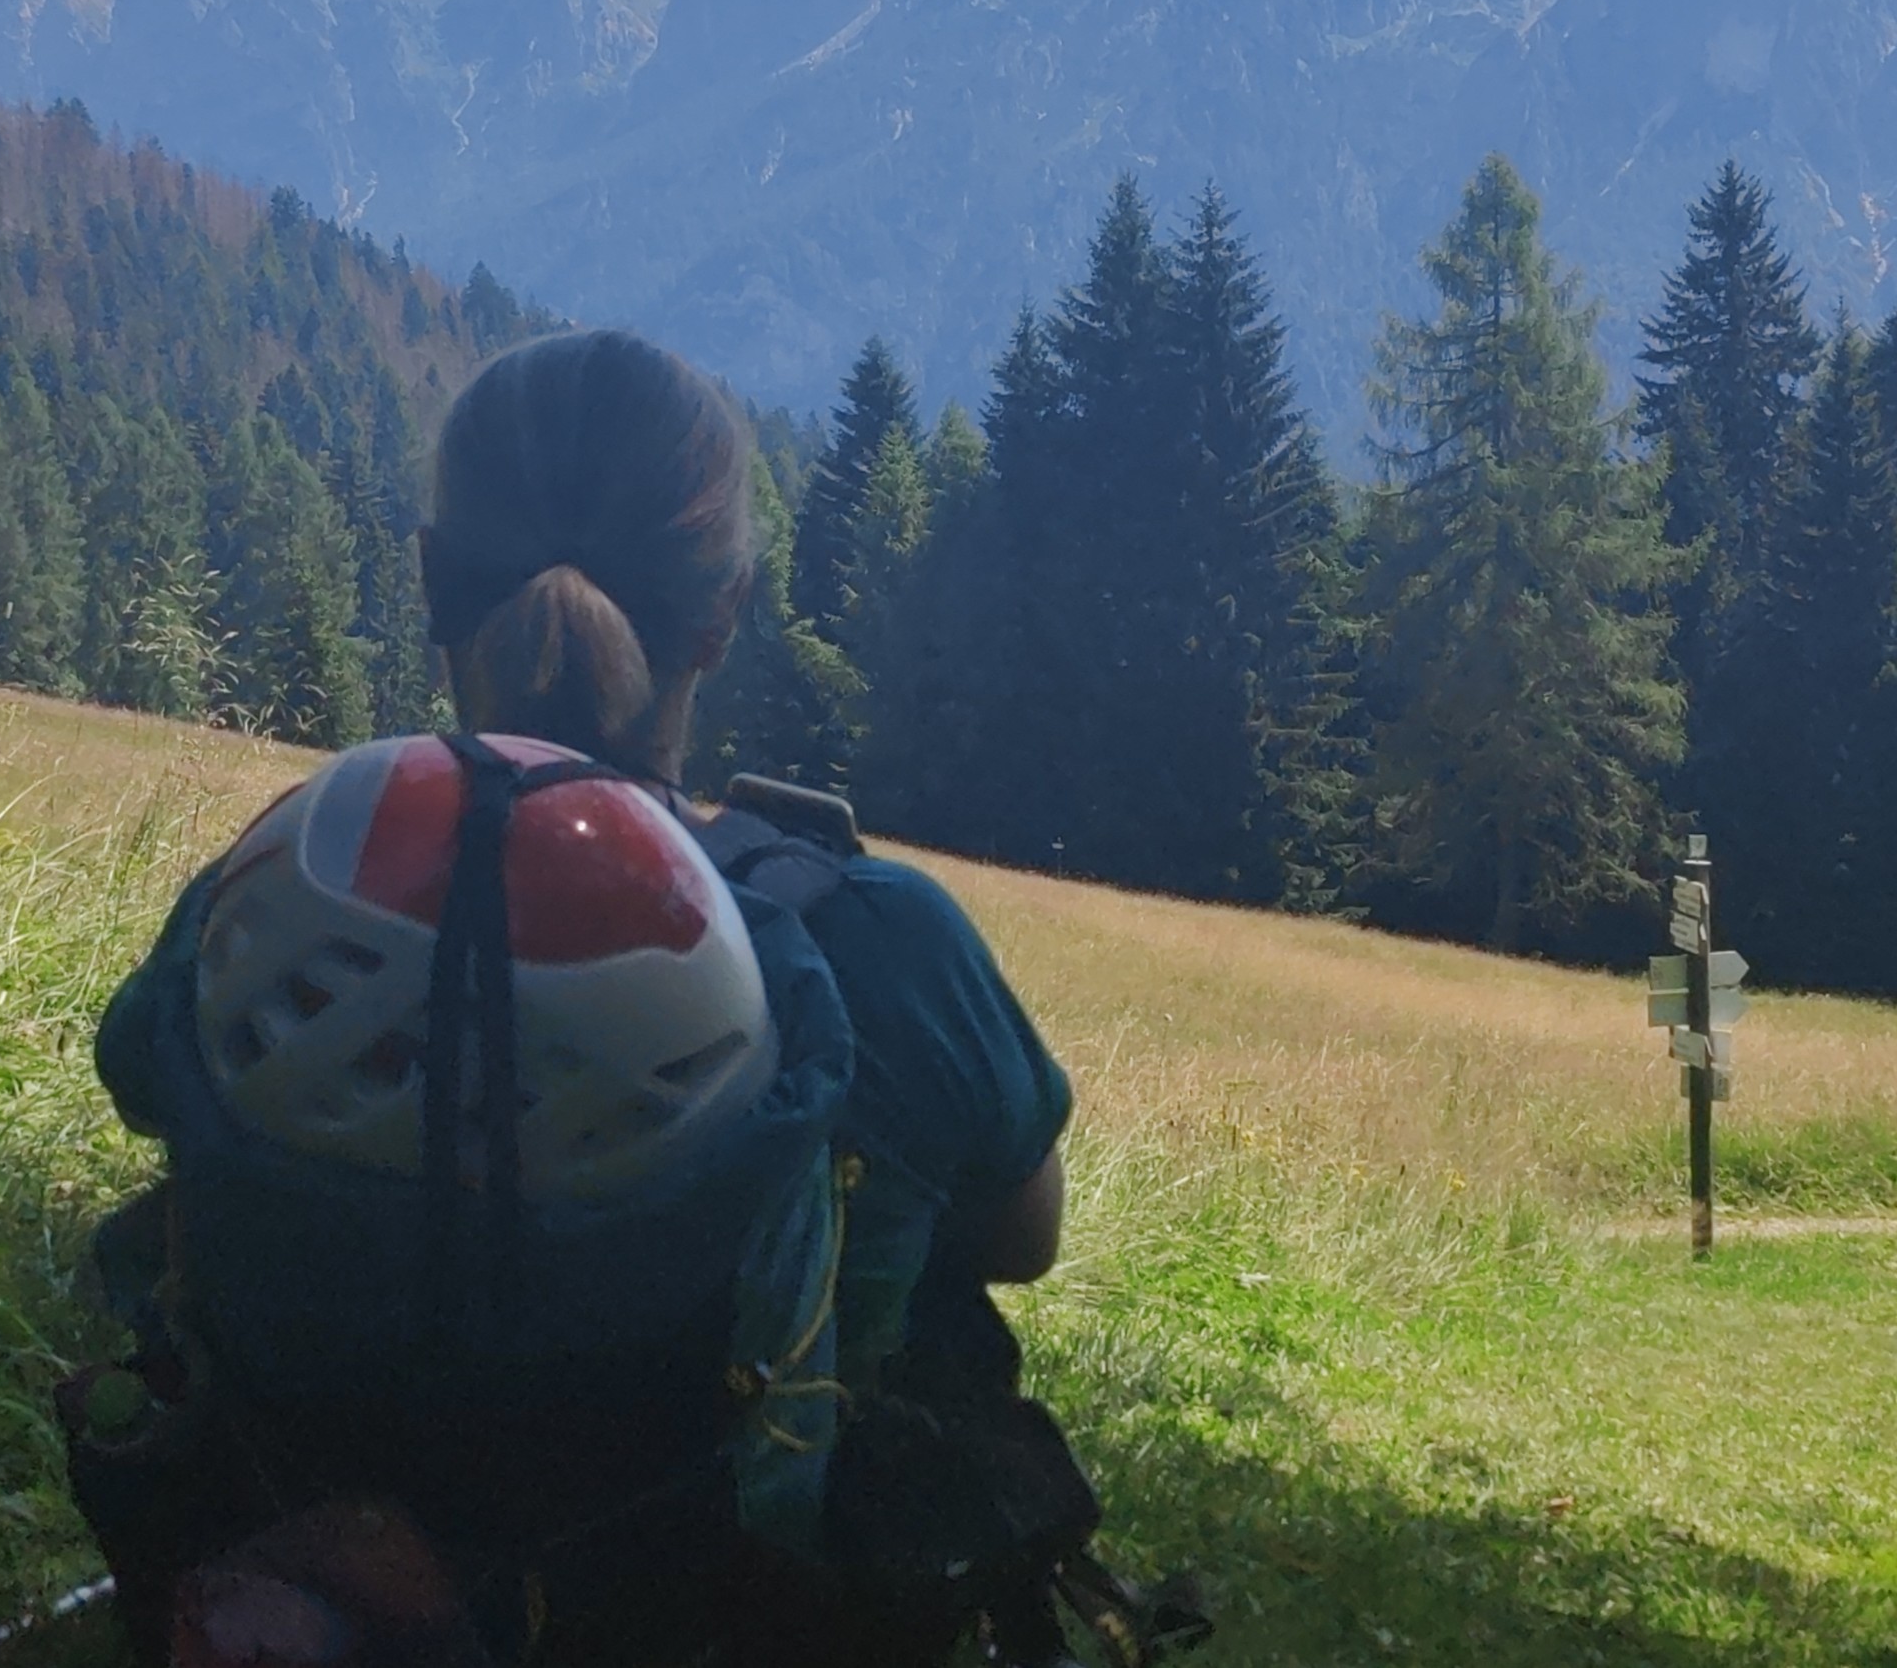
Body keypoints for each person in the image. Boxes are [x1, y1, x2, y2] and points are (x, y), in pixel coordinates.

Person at [67, 330, 1115, 1668]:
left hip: (321, 1593)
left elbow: (154, 1100)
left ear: (436, 581)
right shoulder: (877, 941)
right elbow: (1022, 1236)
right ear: (725, 607)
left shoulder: (273, 892)